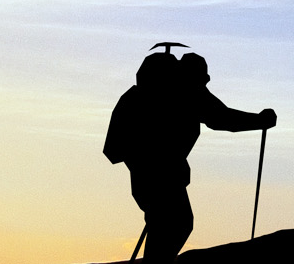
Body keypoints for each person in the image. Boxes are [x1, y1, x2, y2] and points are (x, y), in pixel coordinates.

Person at [104, 51, 276, 264]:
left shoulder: (145, 93)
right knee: (177, 222)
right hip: (163, 175)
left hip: (146, 174)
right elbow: (222, 118)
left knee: (166, 223)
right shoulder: (189, 91)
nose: (205, 87)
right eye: (203, 81)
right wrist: (259, 121)